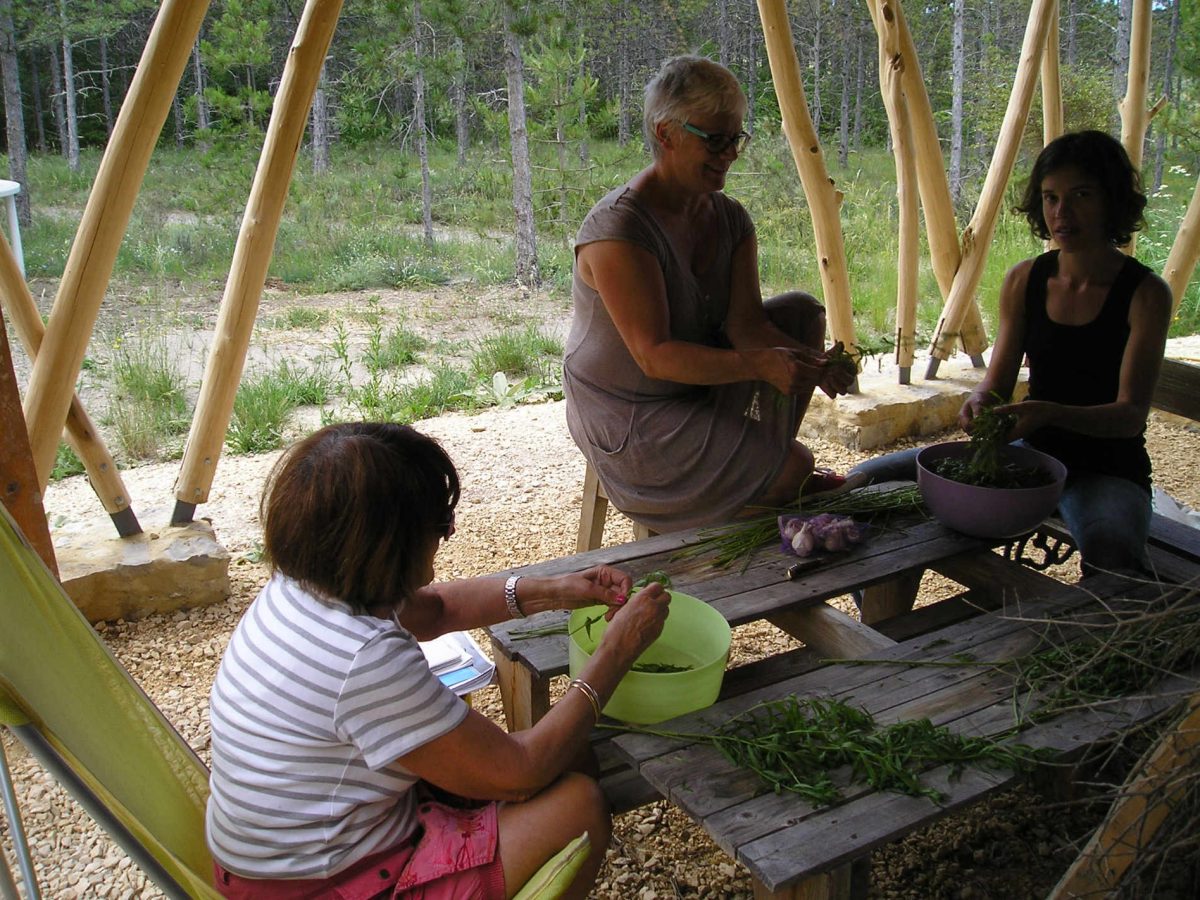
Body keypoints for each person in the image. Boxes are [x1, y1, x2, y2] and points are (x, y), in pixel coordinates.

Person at [205, 422, 671, 900]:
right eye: (442, 526)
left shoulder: (306, 583)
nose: (446, 537)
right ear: (393, 547)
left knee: (569, 749)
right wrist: (619, 648)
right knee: (579, 809)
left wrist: (554, 589)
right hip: (320, 885)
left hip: (303, 849)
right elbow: (521, 771)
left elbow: (437, 610)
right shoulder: (363, 658)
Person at [852, 130, 1172, 576]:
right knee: (866, 481)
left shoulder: (1145, 294)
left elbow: (1130, 415)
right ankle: (883, 612)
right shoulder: (1026, 280)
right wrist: (980, 401)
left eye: (1081, 194)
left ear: (1113, 199)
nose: (1062, 213)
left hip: (1107, 471)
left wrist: (1047, 412)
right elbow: (996, 384)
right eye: (1050, 197)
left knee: (1114, 553)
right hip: (1027, 459)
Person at [563, 55, 856, 534]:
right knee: (794, 468)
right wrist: (763, 364)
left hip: (691, 392)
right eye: (714, 140)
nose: (729, 154)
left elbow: (747, 326)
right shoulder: (619, 230)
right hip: (628, 413)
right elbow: (655, 357)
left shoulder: (730, 219)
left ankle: (752, 476)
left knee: (800, 314)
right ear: (665, 134)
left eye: (735, 138)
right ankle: (752, 485)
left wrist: (813, 361)